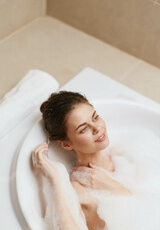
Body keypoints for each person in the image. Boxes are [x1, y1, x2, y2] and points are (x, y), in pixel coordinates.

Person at [32, 91, 132, 230]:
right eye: (84, 129)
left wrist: (111, 185)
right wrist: (56, 177)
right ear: (66, 144)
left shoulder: (125, 153)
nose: (97, 128)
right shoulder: (77, 188)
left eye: (95, 117)